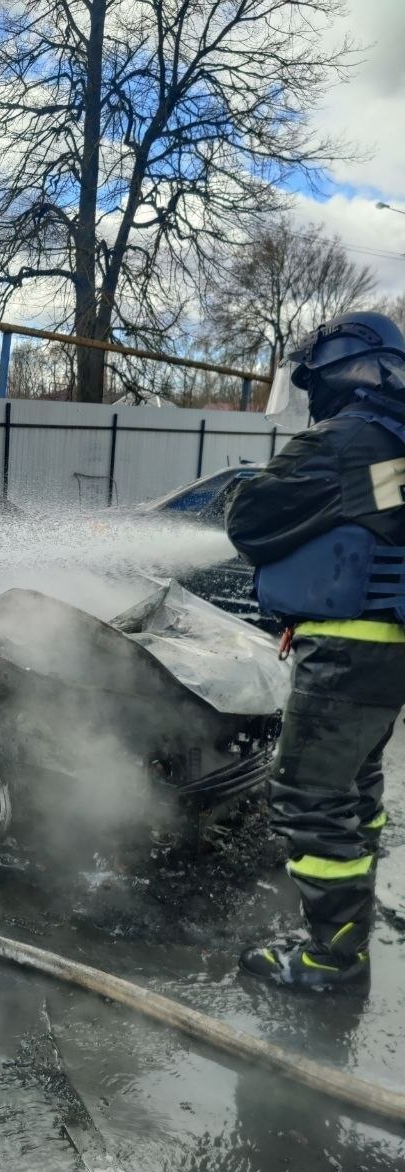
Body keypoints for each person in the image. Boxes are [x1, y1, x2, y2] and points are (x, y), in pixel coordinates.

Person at [226, 310, 405, 992]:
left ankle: (333, 960)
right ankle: (352, 912)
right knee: (357, 787)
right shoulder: (393, 444)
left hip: (347, 654)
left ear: (339, 372)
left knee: (310, 798)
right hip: (386, 651)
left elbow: (249, 521)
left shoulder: (342, 439)